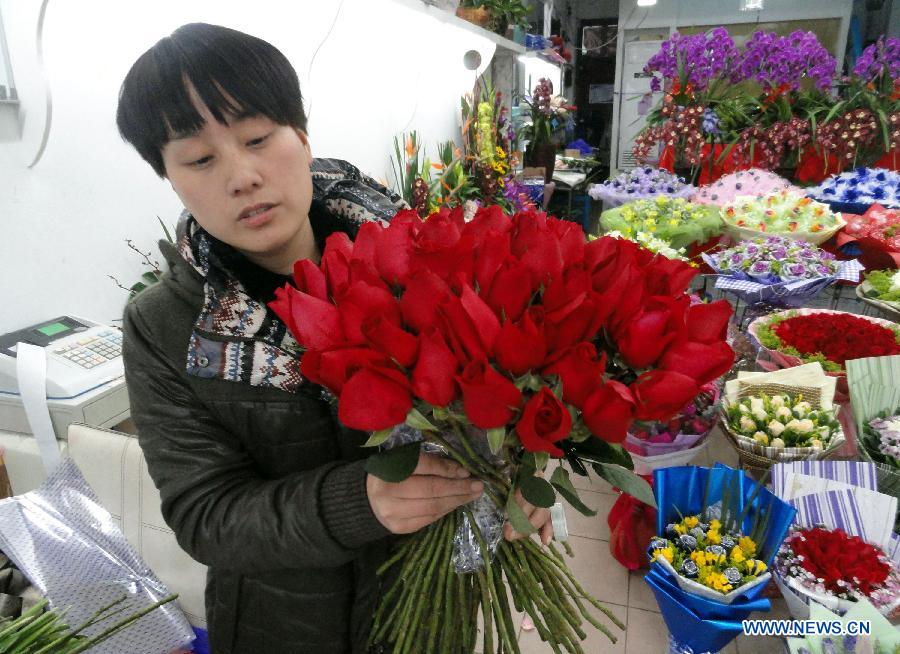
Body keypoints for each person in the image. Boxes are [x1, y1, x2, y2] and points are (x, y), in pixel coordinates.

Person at [116, 22, 551, 654]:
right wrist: (359, 502)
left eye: (259, 138)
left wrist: (518, 479)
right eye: (200, 159)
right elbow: (204, 515)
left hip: (431, 619)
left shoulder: (421, 258)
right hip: (280, 629)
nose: (242, 175)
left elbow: (495, 397)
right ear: (169, 176)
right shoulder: (168, 326)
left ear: (302, 133)